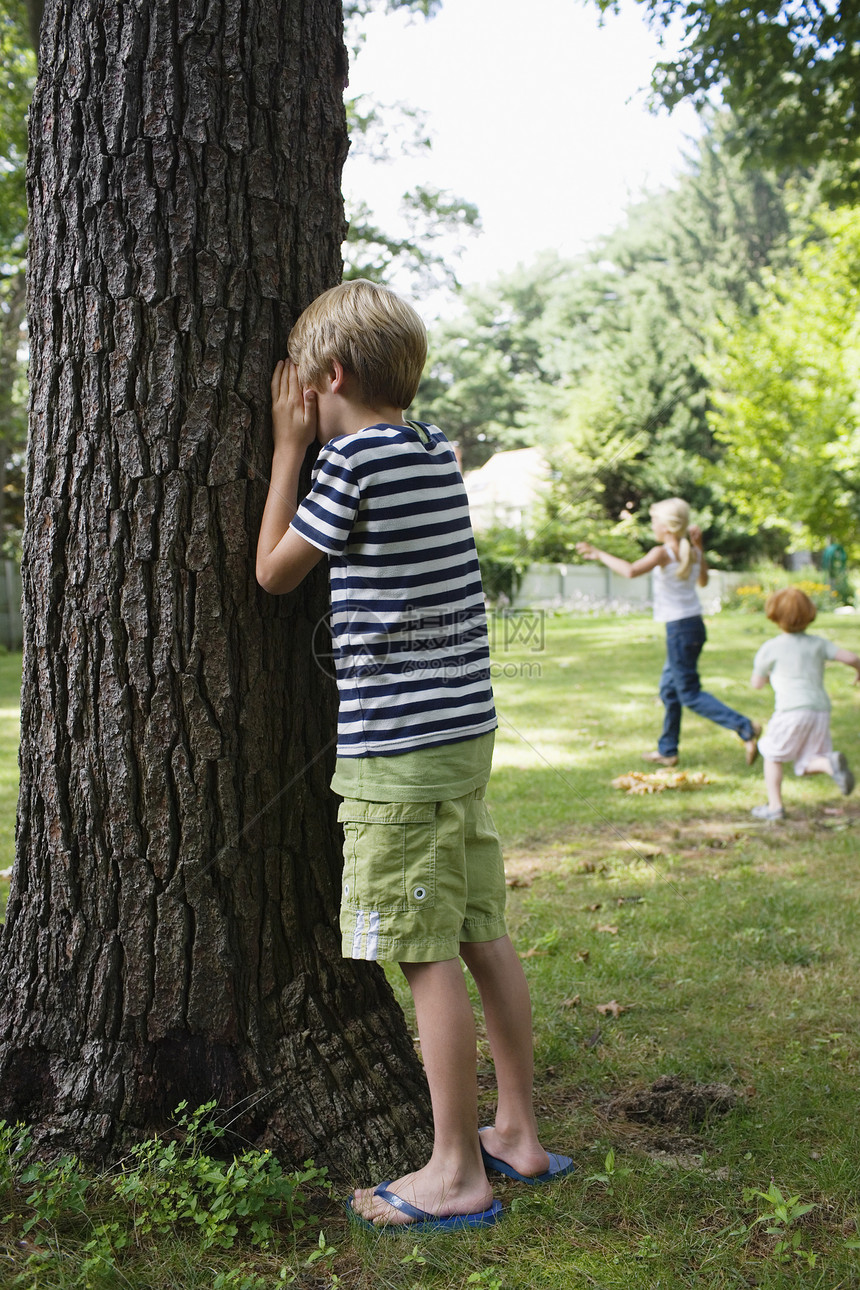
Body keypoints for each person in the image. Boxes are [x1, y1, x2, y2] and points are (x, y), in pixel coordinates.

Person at [255, 280, 572, 1233]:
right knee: (479, 927)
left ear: (329, 379)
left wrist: (286, 451)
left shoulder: (347, 465)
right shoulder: (433, 450)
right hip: (462, 739)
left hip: (402, 752)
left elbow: (272, 573)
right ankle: (514, 1130)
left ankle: (454, 1171)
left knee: (426, 952)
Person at [576, 498, 761, 766]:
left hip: (680, 629)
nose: (652, 524)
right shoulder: (692, 550)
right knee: (669, 690)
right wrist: (701, 548)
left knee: (689, 693)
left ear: (667, 526)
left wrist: (599, 553)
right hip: (693, 626)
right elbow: (704, 580)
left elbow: (630, 571)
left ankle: (745, 727)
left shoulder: (663, 553)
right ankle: (668, 751)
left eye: (654, 520)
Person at [749, 587, 859, 820]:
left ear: (774, 615)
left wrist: (766, 677)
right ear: (810, 613)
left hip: (791, 710)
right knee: (807, 761)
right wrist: (858, 670)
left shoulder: (771, 647)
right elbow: (851, 657)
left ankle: (775, 807)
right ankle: (829, 764)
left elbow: (756, 683)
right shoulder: (818, 644)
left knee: (772, 753)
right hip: (819, 709)